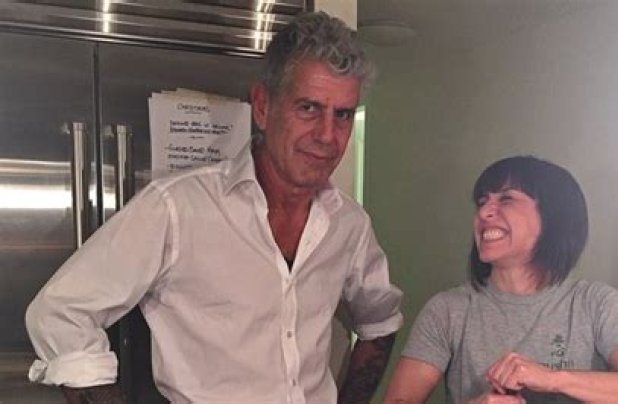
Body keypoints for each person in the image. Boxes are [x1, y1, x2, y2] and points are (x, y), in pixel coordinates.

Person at [25, 11, 403, 404]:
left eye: (342, 115)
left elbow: (381, 319)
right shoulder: (178, 207)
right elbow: (60, 312)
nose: (327, 135)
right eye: (308, 108)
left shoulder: (348, 224)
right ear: (263, 106)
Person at [383, 156, 618, 404]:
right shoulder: (447, 311)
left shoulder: (595, 305)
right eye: (482, 201)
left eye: (506, 199)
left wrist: (552, 379)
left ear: (552, 218)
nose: (485, 212)